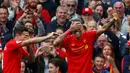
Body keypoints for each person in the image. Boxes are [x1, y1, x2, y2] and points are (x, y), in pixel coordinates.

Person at [53, 13, 118, 73]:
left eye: (78, 25)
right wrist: (69, 30)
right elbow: (55, 43)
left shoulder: (89, 36)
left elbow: (103, 28)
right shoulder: (68, 39)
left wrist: (114, 19)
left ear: (83, 27)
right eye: (74, 26)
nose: (77, 27)